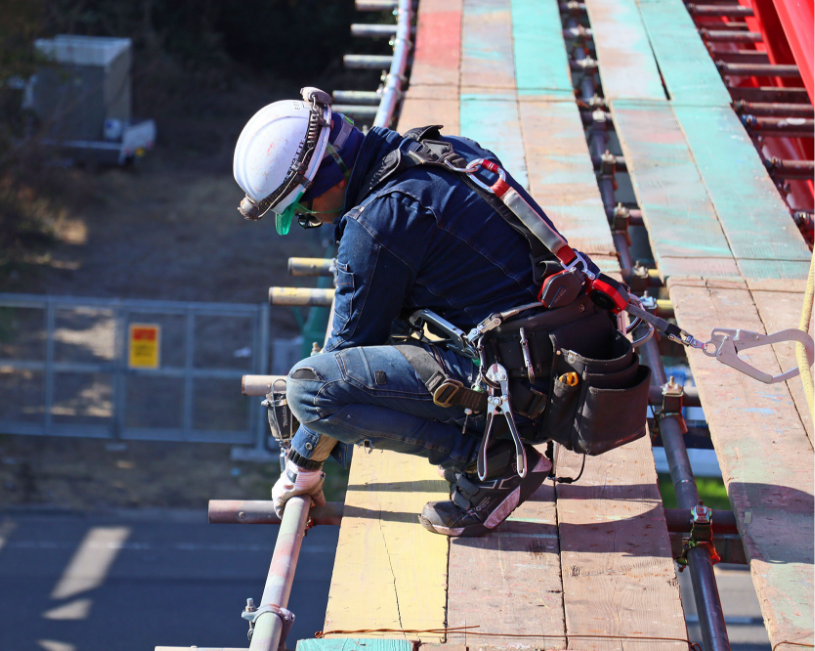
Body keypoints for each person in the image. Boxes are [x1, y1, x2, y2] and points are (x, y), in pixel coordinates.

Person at [233, 88, 605, 537]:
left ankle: (493, 462)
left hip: (526, 386)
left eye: (305, 210)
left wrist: (301, 468)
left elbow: (344, 353)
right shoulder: (442, 152)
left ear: (327, 176)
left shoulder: (375, 223)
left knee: (310, 391)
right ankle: (494, 445)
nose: (317, 221)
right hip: (567, 351)